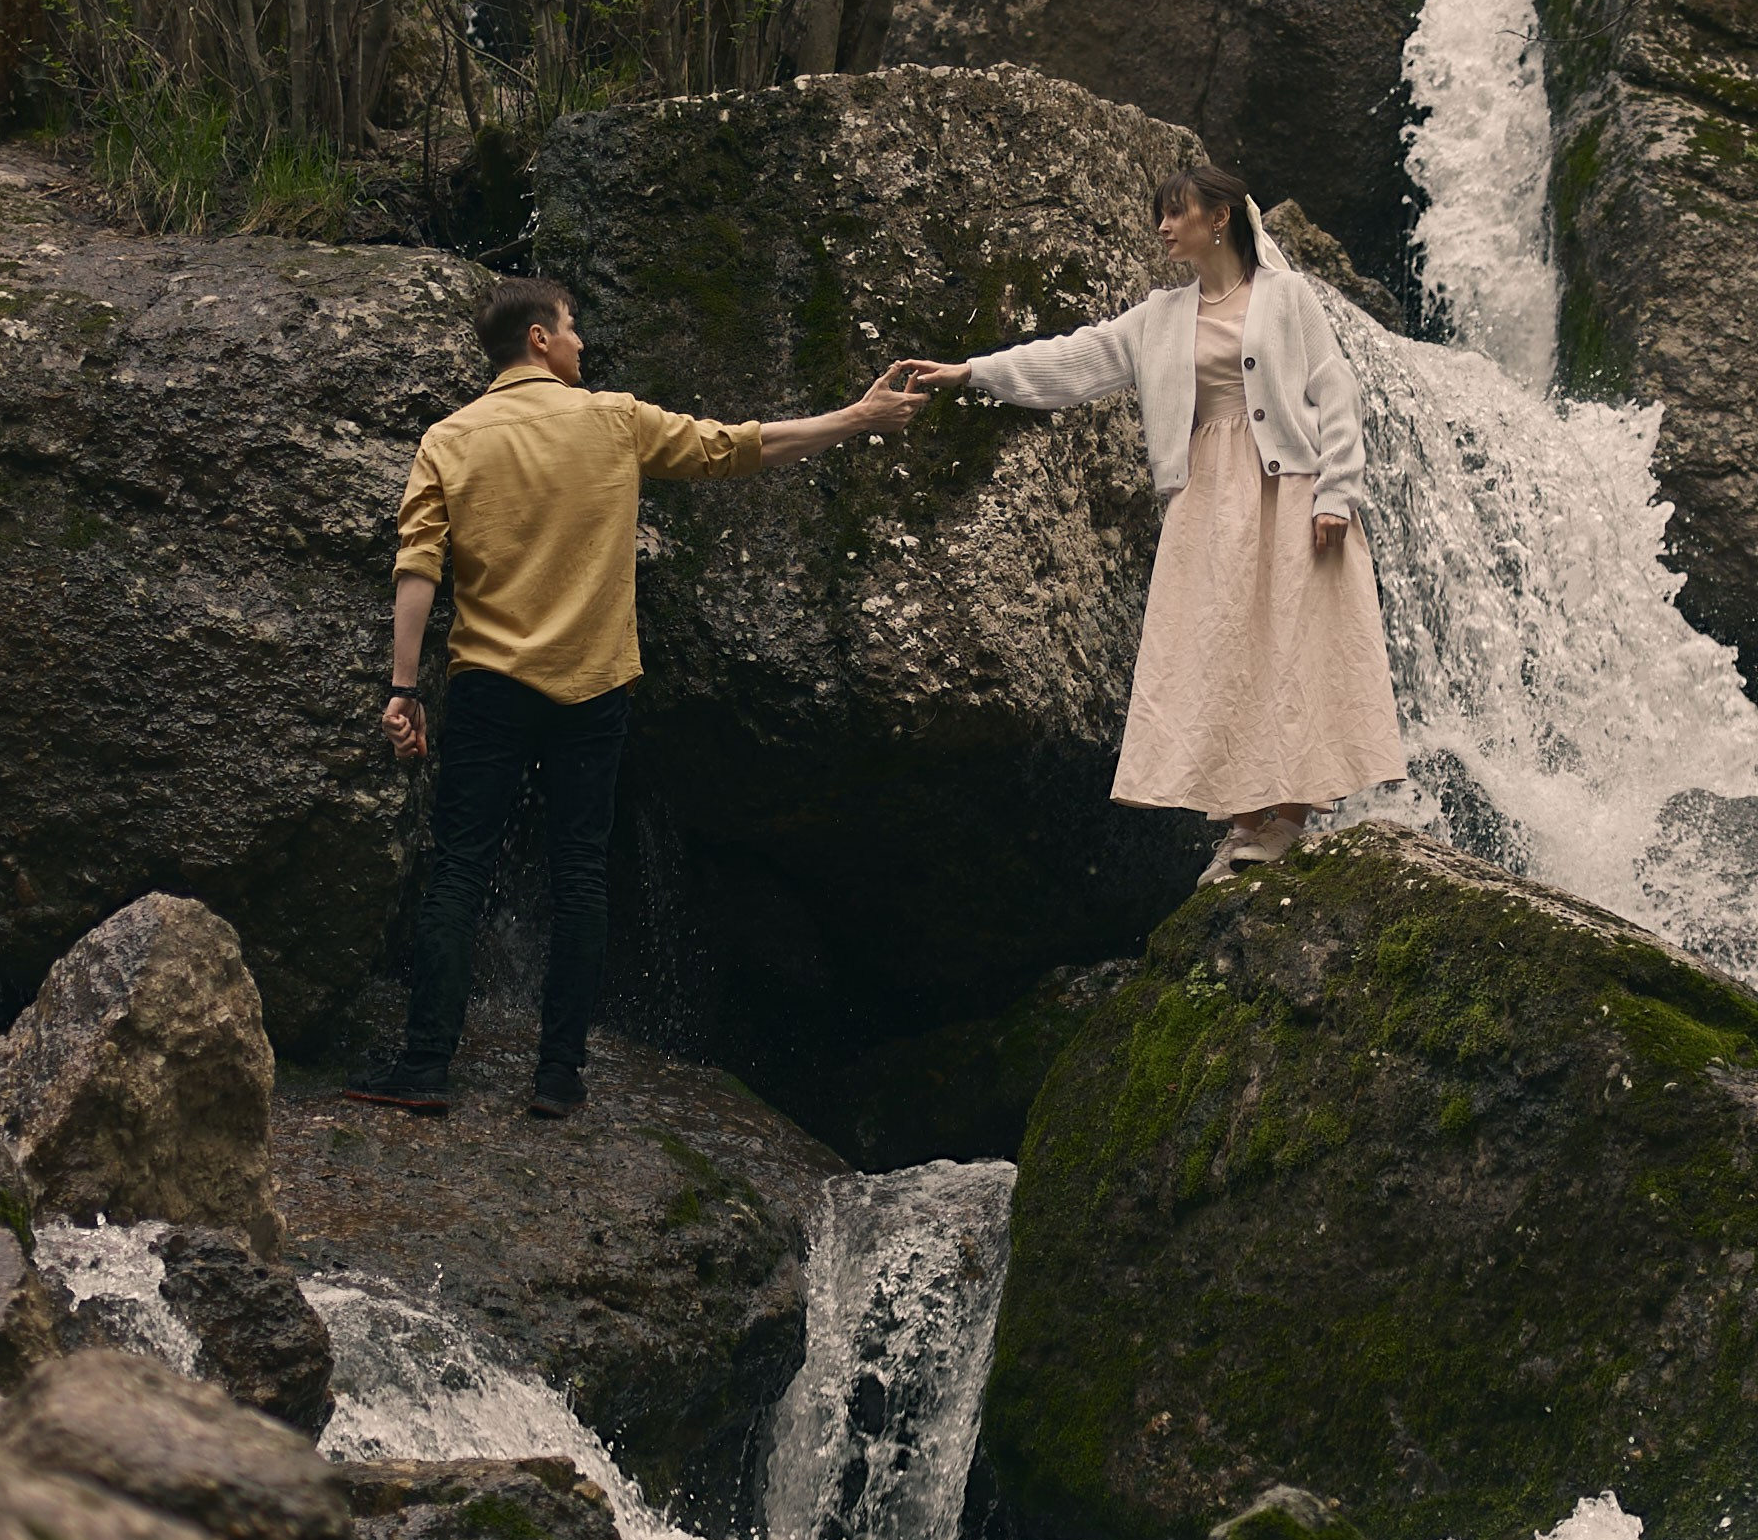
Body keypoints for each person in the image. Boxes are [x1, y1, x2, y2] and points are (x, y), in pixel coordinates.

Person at [351, 276, 929, 1116]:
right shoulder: (613, 420)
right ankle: (557, 1078)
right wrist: (856, 418)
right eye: (573, 327)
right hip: (592, 686)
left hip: (489, 685)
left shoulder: (450, 438)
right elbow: (741, 447)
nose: (583, 342)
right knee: (579, 873)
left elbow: (418, 569)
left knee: (460, 874)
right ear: (541, 339)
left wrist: (404, 689)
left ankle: (427, 1066)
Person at [906, 163, 1404, 880]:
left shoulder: (1286, 295)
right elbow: (1077, 359)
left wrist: (1337, 494)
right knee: (1220, 648)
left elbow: (1335, 390)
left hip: (1289, 490)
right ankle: (1240, 826)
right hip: (1207, 499)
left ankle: (1289, 820)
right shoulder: (1161, 316)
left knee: (1297, 643)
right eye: (1160, 216)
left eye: (1177, 212)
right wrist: (971, 372)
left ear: (1221, 217)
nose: (1165, 228)